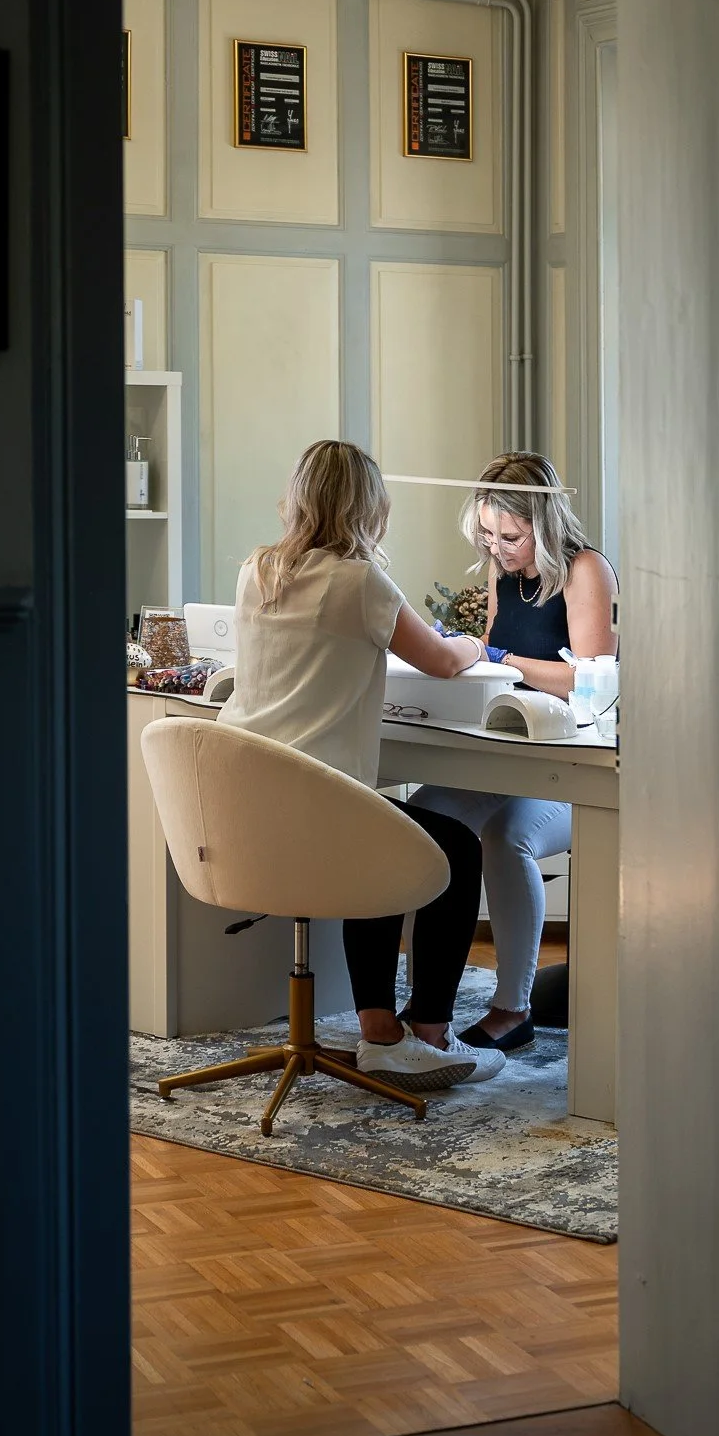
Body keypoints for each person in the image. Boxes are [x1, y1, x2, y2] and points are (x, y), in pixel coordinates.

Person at [219, 439, 505, 1092]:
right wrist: (474, 643)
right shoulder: (358, 580)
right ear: (369, 506)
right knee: (454, 847)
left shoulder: (258, 570)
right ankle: (429, 1034)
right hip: (317, 808)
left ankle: (380, 1030)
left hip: (249, 804)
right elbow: (440, 660)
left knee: (378, 831)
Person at [409, 453, 618, 1052]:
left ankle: (512, 1008)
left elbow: (589, 679)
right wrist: (464, 657)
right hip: (511, 750)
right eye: (487, 535)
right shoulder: (503, 574)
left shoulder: (584, 571)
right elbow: (492, 658)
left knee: (506, 838)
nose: (497, 549)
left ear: (544, 526)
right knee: (426, 819)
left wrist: (499, 658)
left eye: (510, 537)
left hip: (577, 765)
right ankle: (427, 1004)